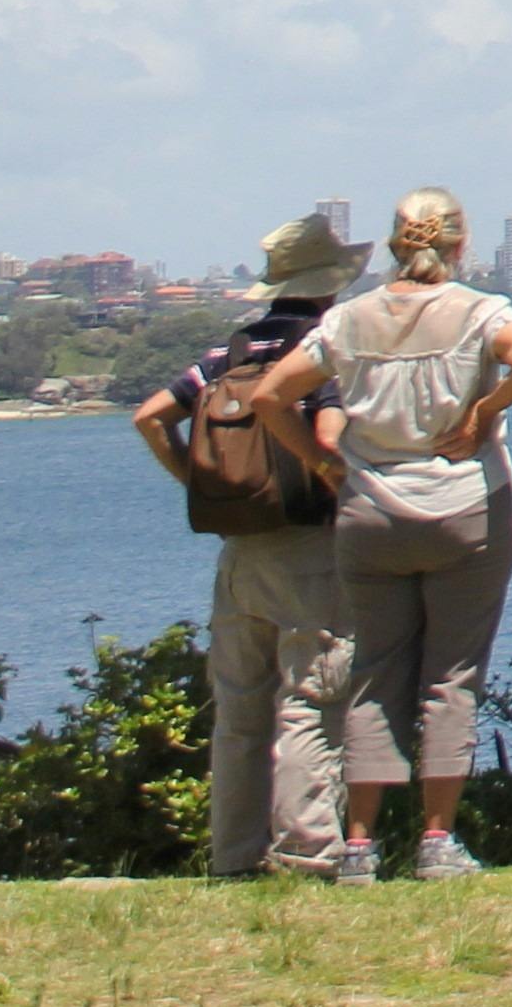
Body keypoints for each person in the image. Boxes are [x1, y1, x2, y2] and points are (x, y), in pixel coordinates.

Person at [253, 187, 512, 883]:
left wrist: (322, 460)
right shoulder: (479, 312)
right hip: (465, 509)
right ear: (457, 245)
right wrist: (483, 409)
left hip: (371, 512)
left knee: (374, 675)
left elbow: (269, 396)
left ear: (394, 244)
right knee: (451, 677)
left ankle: (359, 843)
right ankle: (437, 840)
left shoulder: (350, 320)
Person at [129, 207, 361, 881]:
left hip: (240, 550)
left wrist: (197, 482)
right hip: (309, 547)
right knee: (308, 704)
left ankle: (232, 857)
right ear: (328, 286)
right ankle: (307, 853)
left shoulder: (223, 356)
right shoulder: (319, 352)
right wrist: (340, 482)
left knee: (238, 711)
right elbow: (325, 437)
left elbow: (150, 418)